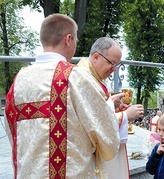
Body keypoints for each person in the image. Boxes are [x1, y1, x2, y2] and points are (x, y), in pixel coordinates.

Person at [4, 14, 120, 178]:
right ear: (68, 39)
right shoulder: (75, 77)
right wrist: (110, 107)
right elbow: (106, 135)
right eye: (76, 41)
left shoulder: (18, 81)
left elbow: (13, 133)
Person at [78, 37, 144, 179]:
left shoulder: (93, 76)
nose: (114, 70)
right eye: (112, 63)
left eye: (117, 65)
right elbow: (92, 126)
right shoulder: (83, 80)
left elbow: (95, 114)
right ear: (96, 57)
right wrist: (125, 116)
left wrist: (112, 107)